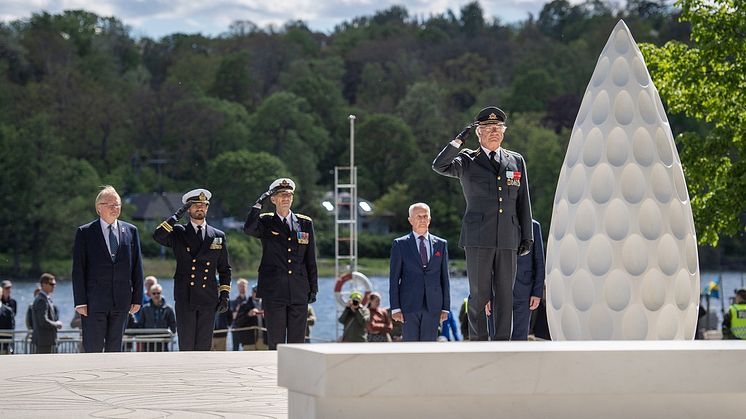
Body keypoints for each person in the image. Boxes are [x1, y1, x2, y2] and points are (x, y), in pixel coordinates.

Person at [432, 106, 533, 341]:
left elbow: (523, 201)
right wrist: (458, 141)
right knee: (479, 295)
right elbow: (439, 166)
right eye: (487, 128)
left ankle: (502, 343)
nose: (493, 132)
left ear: (504, 132)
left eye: (498, 128)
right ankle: (479, 343)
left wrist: (527, 236)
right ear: (478, 133)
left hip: (508, 236)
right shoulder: (467, 160)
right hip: (478, 237)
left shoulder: (515, 161)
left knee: (505, 295)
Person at [244, 178, 318, 350]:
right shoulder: (265, 221)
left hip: (299, 291)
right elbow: (248, 229)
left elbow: (310, 259)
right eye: (281, 195)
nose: (286, 198)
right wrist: (257, 205)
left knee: (297, 345)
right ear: (273, 199)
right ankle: (274, 376)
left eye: (289, 195)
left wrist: (313, 288)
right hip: (274, 292)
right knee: (275, 343)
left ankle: (296, 377)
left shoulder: (305, 223)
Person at [153, 188, 232, 351]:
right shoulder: (178, 232)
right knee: (187, 346)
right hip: (185, 298)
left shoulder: (218, 235)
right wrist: (176, 216)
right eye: (195, 205)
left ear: (207, 208)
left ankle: (202, 377)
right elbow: (158, 236)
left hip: (208, 298)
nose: (200, 208)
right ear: (188, 208)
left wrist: (224, 295)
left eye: (203, 205)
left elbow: (224, 269)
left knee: (204, 347)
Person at [72, 185, 144, 352]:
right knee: (93, 349)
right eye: (110, 205)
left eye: (117, 204)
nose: (115, 208)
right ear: (99, 208)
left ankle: (112, 378)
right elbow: (78, 270)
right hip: (93, 302)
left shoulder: (131, 231)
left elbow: (136, 268)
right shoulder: (85, 232)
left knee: (115, 350)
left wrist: (137, 298)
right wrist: (80, 301)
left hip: (121, 301)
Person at [389, 203, 451, 342]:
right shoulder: (400, 244)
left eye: (425, 216)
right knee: (411, 348)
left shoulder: (441, 244)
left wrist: (445, 308)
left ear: (429, 219)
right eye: (419, 216)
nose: (422, 219)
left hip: (433, 306)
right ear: (410, 220)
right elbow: (394, 279)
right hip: (408, 306)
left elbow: (444, 278)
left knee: (429, 348)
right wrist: (395, 308)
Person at [511, 219, 546, 340]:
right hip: (497, 291)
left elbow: (539, 262)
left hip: (524, 292)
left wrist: (537, 293)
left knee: (519, 339)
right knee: (497, 340)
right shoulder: (496, 222)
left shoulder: (534, 226)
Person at [138, 284, 177, 351]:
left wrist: (170, 335)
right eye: (154, 293)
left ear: (161, 293)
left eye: (158, 293)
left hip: (163, 341)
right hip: (148, 341)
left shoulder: (168, 309)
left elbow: (173, 324)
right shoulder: (145, 309)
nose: (156, 295)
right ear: (150, 294)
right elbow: (141, 324)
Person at [32, 273, 62, 354]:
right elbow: (43, 321)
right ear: (43, 284)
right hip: (44, 341)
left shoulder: (45, 299)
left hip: (45, 341)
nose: (54, 286)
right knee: (43, 365)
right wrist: (57, 324)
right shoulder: (42, 300)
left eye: (54, 284)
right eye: (51, 284)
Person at [233, 285, 268, 350]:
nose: (257, 293)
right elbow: (237, 323)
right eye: (255, 291)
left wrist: (267, 317)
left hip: (264, 341)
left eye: (259, 291)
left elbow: (274, 324)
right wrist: (248, 315)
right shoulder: (244, 305)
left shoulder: (267, 305)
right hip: (249, 342)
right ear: (252, 292)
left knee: (263, 360)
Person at [230, 278, 250, 350]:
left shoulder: (249, 301)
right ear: (238, 287)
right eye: (241, 286)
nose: (243, 288)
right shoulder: (234, 301)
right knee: (235, 348)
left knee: (248, 348)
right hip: (236, 328)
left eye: (244, 286)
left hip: (247, 328)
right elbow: (233, 316)